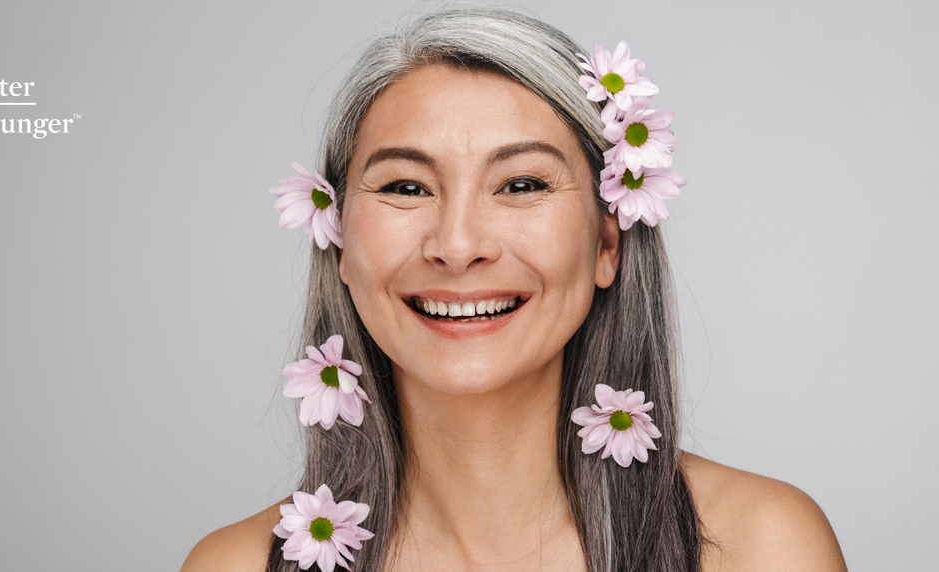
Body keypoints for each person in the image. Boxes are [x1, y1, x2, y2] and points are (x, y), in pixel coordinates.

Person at [182, 8, 847, 572]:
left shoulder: (763, 547)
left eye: (523, 184)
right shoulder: (232, 565)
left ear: (607, 244)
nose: (459, 244)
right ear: (341, 245)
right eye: (405, 187)